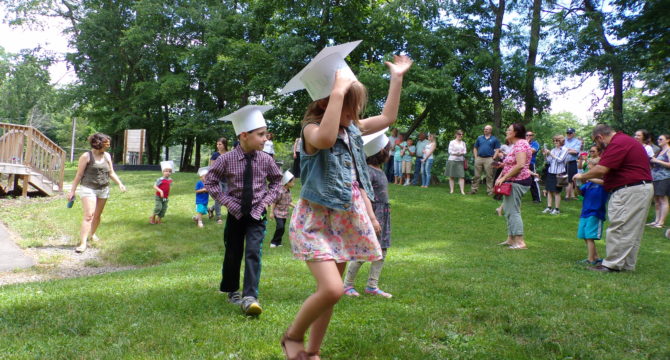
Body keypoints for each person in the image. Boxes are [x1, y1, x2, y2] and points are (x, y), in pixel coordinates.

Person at [279, 40, 412, 360]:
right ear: (327, 103)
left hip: (345, 221)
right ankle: (291, 337)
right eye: (349, 105)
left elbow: (388, 117)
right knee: (332, 289)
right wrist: (338, 91)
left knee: (331, 296)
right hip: (316, 222)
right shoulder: (311, 130)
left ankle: (312, 351)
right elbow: (324, 140)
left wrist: (397, 78)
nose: (356, 114)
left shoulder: (353, 129)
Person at [205, 105, 283, 315]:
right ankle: (232, 289)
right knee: (233, 251)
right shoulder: (226, 159)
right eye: (260, 135)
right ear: (244, 135)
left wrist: (267, 200)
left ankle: (250, 296)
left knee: (253, 252)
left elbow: (277, 181)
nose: (265, 138)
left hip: (257, 214)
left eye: (265, 134)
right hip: (236, 213)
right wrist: (228, 202)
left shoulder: (266, 159)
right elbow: (211, 182)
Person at [573, 124, 653, 272]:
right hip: (639, 188)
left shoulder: (617, 143)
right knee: (631, 229)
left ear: (599, 137)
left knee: (619, 226)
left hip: (629, 190)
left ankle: (612, 265)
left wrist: (582, 176)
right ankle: (626, 265)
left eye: (596, 143)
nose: (598, 146)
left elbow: (602, 169)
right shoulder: (626, 141)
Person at [344, 129, 393, 298]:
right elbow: (363, 195)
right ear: (381, 151)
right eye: (389, 149)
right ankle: (347, 285)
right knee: (365, 249)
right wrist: (372, 218)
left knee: (382, 249)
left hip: (383, 213)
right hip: (372, 214)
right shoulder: (367, 172)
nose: (390, 152)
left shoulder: (379, 169)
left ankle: (372, 285)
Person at [68, 133, 126, 253]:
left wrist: (120, 183)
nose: (109, 144)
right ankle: (83, 243)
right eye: (106, 143)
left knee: (97, 215)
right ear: (98, 143)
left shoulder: (107, 156)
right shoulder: (86, 156)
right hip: (88, 188)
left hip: (103, 189)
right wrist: (72, 191)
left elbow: (111, 172)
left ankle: (92, 234)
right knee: (89, 215)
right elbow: (79, 174)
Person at [495, 123, 532, 250]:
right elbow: (512, 163)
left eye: (509, 130)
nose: (506, 131)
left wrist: (504, 178)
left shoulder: (521, 144)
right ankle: (510, 240)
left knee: (514, 211)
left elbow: (520, 165)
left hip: (518, 181)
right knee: (509, 211)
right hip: (512, 180)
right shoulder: (516, 145)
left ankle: (520, 242)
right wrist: (502, 171)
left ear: (515, 133)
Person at [576, 146, 607, 265]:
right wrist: (577, 185)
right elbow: (580, 194)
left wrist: (588, 177)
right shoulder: (588, 184)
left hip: (596, 212)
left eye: (590, 169)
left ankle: (591, 259)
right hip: (585, 212)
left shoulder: (602, 182)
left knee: (590, 236)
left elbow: (604, 183)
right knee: (584, 235)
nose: (588, 171)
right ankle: (595, 256)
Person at [542, 135, 569, 215]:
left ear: (561, 141)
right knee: (549, 190)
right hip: (551, 172)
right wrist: (546, 155)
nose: (555, 142)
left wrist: (550, 153)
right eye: (554, 141)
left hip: (560, 173)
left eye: (556, 141)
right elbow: (548, 161)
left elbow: (560, 160)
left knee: (557, 192)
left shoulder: (565, 149)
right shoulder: (553, 150)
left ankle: (557, 209)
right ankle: (549, 207)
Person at [470, 125, 501, 195]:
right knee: (476, 175)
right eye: (484, 129)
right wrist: (475, 157)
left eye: (487, 129)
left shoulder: (494, 139)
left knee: (489, 175)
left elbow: (497, 149)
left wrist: (493, 158)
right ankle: (473, 190)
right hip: (479, 158)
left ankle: (489, 191)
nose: (485, 130)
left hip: (489, 159)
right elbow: (475, 148)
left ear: (490, 130)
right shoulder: (479, 138)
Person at [647, 134, 670, 228]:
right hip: (655, 178)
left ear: (668, 140)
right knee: (656, 200)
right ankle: (656, 220)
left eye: (661, 139)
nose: (658, 140)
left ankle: (661, 222)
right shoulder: (659, 151)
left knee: (663, 199)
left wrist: (656, 161)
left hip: (664, 178)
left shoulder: (668, 150)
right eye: (658, 139)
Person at [269, 170, 296, 248]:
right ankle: (273, 242)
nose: (293, 184)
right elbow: (274, 202)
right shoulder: (280, 191)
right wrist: (271, 212)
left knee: (282, 228)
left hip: (284, 213)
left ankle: (278, 242)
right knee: (280, 227)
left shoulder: (288, 191)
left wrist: (295, 206)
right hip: (278, 212)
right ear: (287, 182)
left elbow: (288, 202)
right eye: (292, 182)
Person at [208, 137, 229, 224]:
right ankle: (218, 217)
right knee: (218, 197)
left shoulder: (229, 154)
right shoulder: (215, 155)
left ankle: (211, 209)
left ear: (224, 145)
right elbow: (212, 167)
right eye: (217, 144)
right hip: (218, 179)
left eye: (220, 144)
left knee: (225, 198)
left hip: (227, 179)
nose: (218, 146)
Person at [150, 161, 174, 225]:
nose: (168, 173)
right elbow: (154, 186)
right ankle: (152, 217)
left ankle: (159, 220)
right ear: (162, 172)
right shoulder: (160, 179)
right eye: (166, 171)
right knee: (158, 207)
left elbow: (169, 186)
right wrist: (161, 191)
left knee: (163, 209)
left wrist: (167, 192)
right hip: (158, 197)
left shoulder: (170, 180)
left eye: (169, 171)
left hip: (165, 197)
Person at [445, 130, 467, 194]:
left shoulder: (463, 143)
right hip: (452, 160)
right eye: (459, 134)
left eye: (462, 134)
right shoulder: (452, 142)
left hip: (460, 160)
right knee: (451, 176)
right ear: (456, 135)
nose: (461, 135)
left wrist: (461, 153)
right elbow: (450, 151)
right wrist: (456, 153)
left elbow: (465, 151)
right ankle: (451, 190)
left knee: (461, 176)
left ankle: (462, 191)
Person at [564, 128, 582, 201]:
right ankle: (569, 195)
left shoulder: (577, 141)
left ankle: (567, 196)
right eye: (567, 133)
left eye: (570, 133)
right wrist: (570, 150)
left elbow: (576, 152)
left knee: (570, 179)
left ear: (574, 133)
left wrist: (566, 149)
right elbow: (560, 149)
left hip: (572, 162)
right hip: (563, 162)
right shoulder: (563, 140)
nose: (569, 134)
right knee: (564, 179)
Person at [526, 131, 541, 203]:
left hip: (531, 163)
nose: (528, 136)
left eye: (530, 135)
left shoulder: (535, 143)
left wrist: (526, 144)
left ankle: (537, 199)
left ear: (533, 136)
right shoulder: (523, 142)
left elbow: (532, 151)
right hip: (522, 163)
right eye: (527, 135)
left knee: (533, 181)